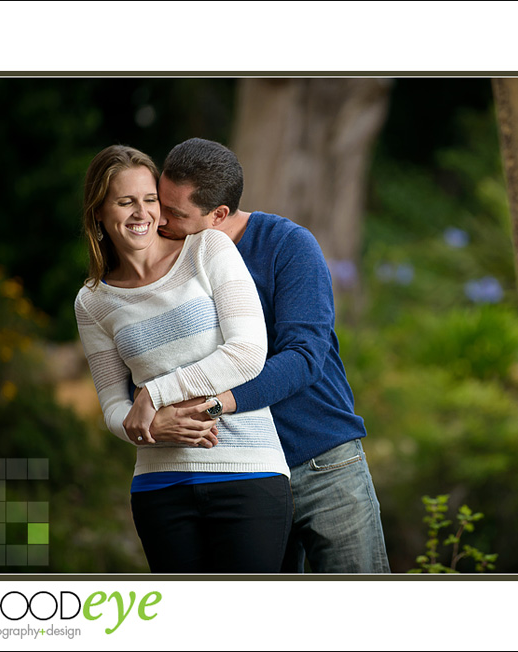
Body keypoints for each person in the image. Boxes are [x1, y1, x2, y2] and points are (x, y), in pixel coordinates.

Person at [155, 137, 391, 573]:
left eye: (176, 213)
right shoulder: (165, 260)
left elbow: (304, 356)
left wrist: (215, 404)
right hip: (242, 476)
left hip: (320, 459)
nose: (160, 221)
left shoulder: (287, 245)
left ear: (219, 214)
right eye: (159, 203)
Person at [73, 144, 291, 573]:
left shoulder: (207, 249)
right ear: (99, 211)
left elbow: (248, 353)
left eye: (150, 199)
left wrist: (154, 394)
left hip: (247, 472)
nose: (142, 213)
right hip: (159, 488)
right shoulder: (92, 302)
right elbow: (114, 407)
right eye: (125, 201)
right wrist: (150, 425)